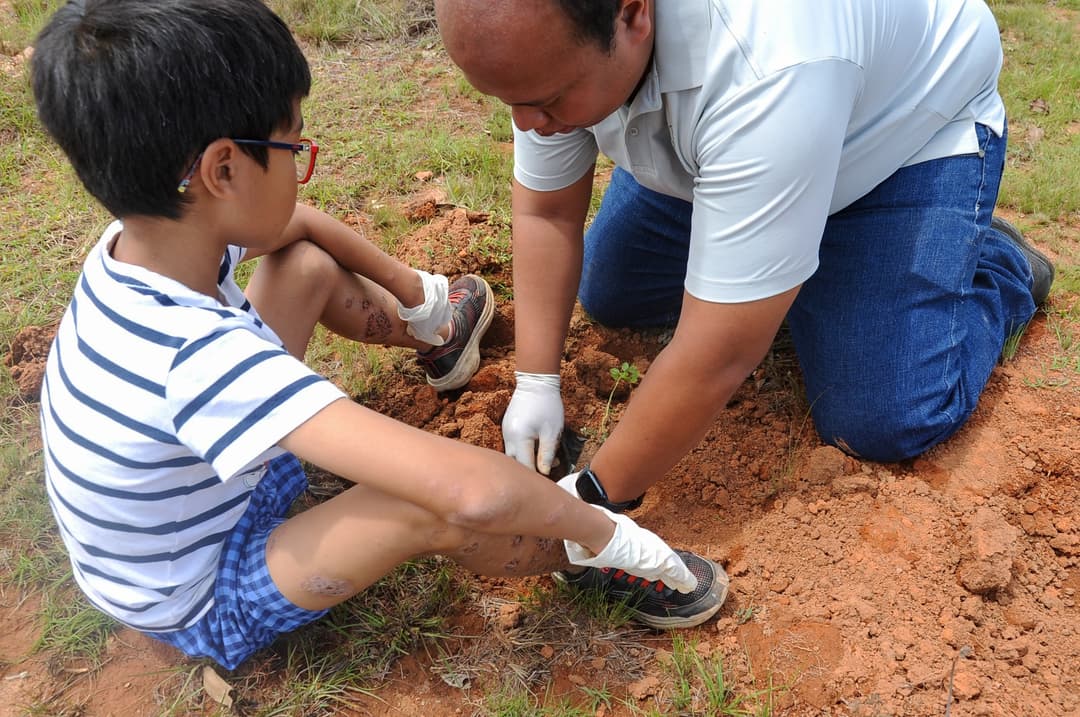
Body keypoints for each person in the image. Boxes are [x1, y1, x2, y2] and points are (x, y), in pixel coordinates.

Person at [30, 0, 730, 671]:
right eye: (293, 146)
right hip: (207, 591)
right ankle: (587, 563)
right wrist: (603, 528)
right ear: (223, 169)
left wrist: (420, 299)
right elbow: (472, 494)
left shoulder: (152, 237)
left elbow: (297, 227)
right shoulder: (199, 357)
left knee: (303, 268)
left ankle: (444, 340)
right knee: (419, 504)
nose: (301, 162)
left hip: (210, 497)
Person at [434, 0, 1056, 512]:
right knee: (612, 290)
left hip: (898, 139)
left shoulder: (769, 61)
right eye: (508, 100)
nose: (529, 123)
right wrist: (535, 381)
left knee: (882, 416)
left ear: (633, 13)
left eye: (547, 100)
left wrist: (593, 499)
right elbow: (546, 214)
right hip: (733, 146)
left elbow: (720, 354)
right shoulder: (547, 48)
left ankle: (997, 264)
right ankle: (775, 250)